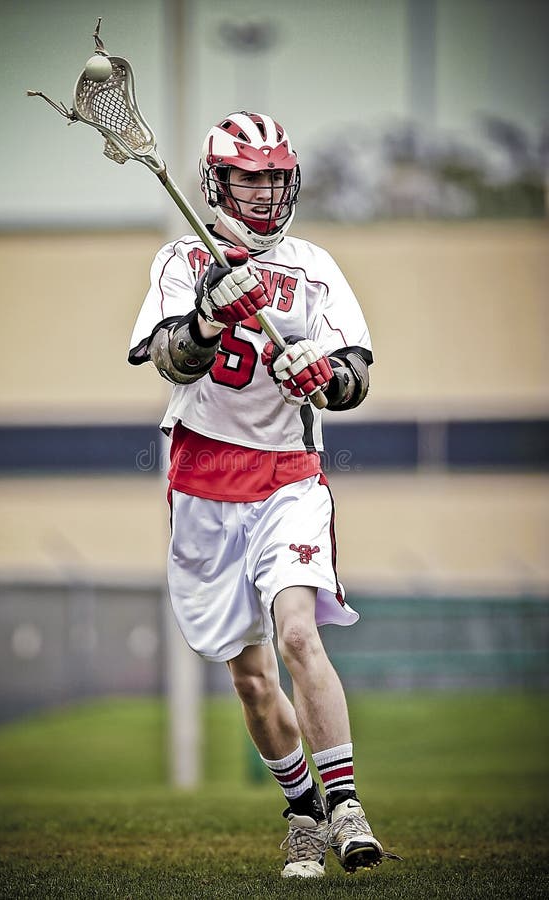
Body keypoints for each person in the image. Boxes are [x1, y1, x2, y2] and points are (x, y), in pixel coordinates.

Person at [128, 111, 397, 878]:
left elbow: (354, 377)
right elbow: (173, 363)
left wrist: (323, 371)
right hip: (205, 481)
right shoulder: (183, 259)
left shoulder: (315, 265)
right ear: (218, 181)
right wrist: (211, 313)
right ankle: (303, 811)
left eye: (277, 176)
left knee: (298, 633)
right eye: (251, 176)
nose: (267, 190)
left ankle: (346, 807)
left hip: (288, 475)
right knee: (250, 678)